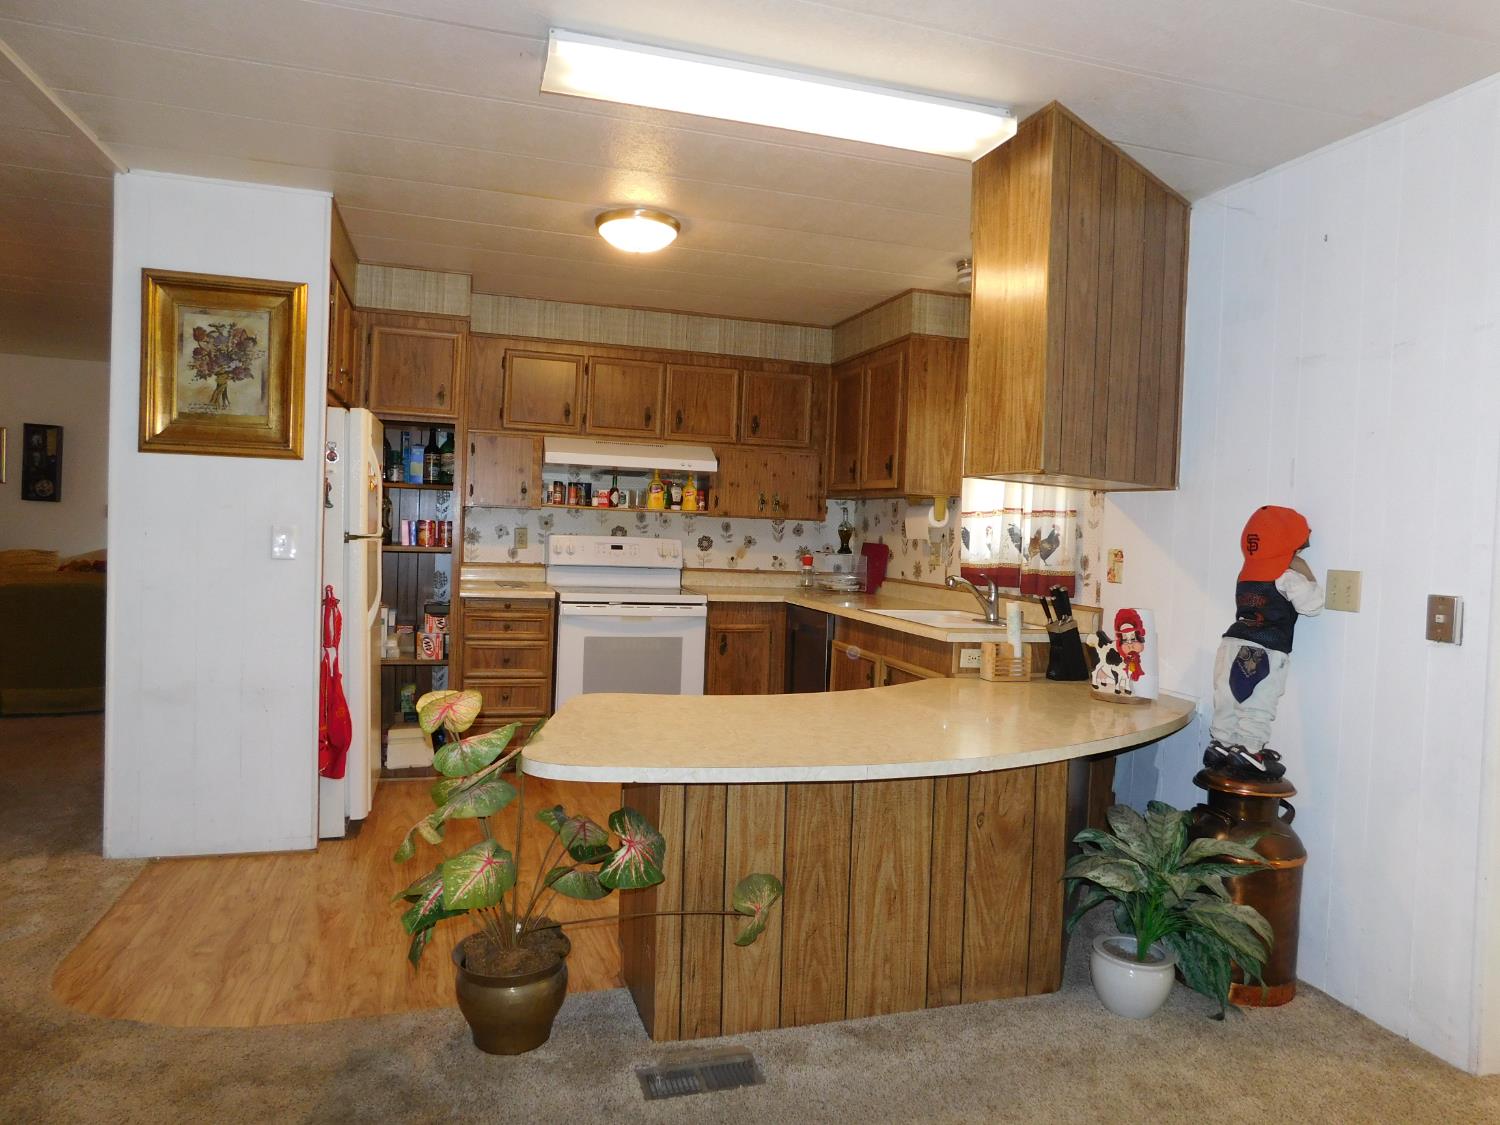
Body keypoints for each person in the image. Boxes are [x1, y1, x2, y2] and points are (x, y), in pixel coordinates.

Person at [1205, 506, 1324, 779]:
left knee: (1228, 698)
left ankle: (1221, 745)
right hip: (1265, 649)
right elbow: (1313, 605)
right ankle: (1249, 751)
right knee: (1259, 702)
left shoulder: (1246, 574)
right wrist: (1307, 574)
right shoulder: (1286, 575)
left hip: (1231, 643)